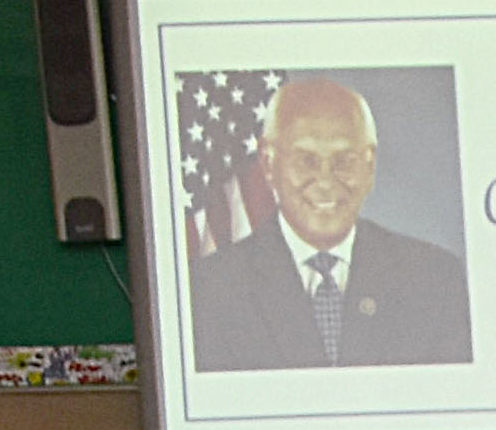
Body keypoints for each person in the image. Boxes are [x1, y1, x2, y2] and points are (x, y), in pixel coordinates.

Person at [184, 74, 473, 368]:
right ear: (269, 163)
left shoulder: (434, 281)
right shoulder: (210, 291)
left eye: (344, 161)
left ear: (369, 166)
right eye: (305, 160)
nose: (325, 182)